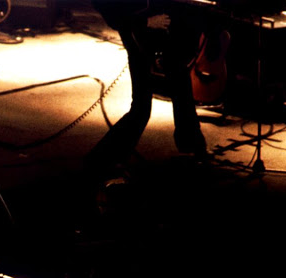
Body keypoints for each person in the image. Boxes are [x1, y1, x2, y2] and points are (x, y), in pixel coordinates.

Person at [87, 0, 210, 195]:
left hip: (163, 30)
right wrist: (144, 22)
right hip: (139, 33)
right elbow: (107, 9)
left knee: (181, 85)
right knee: (141, 108)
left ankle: (192, 146)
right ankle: (101, 160)